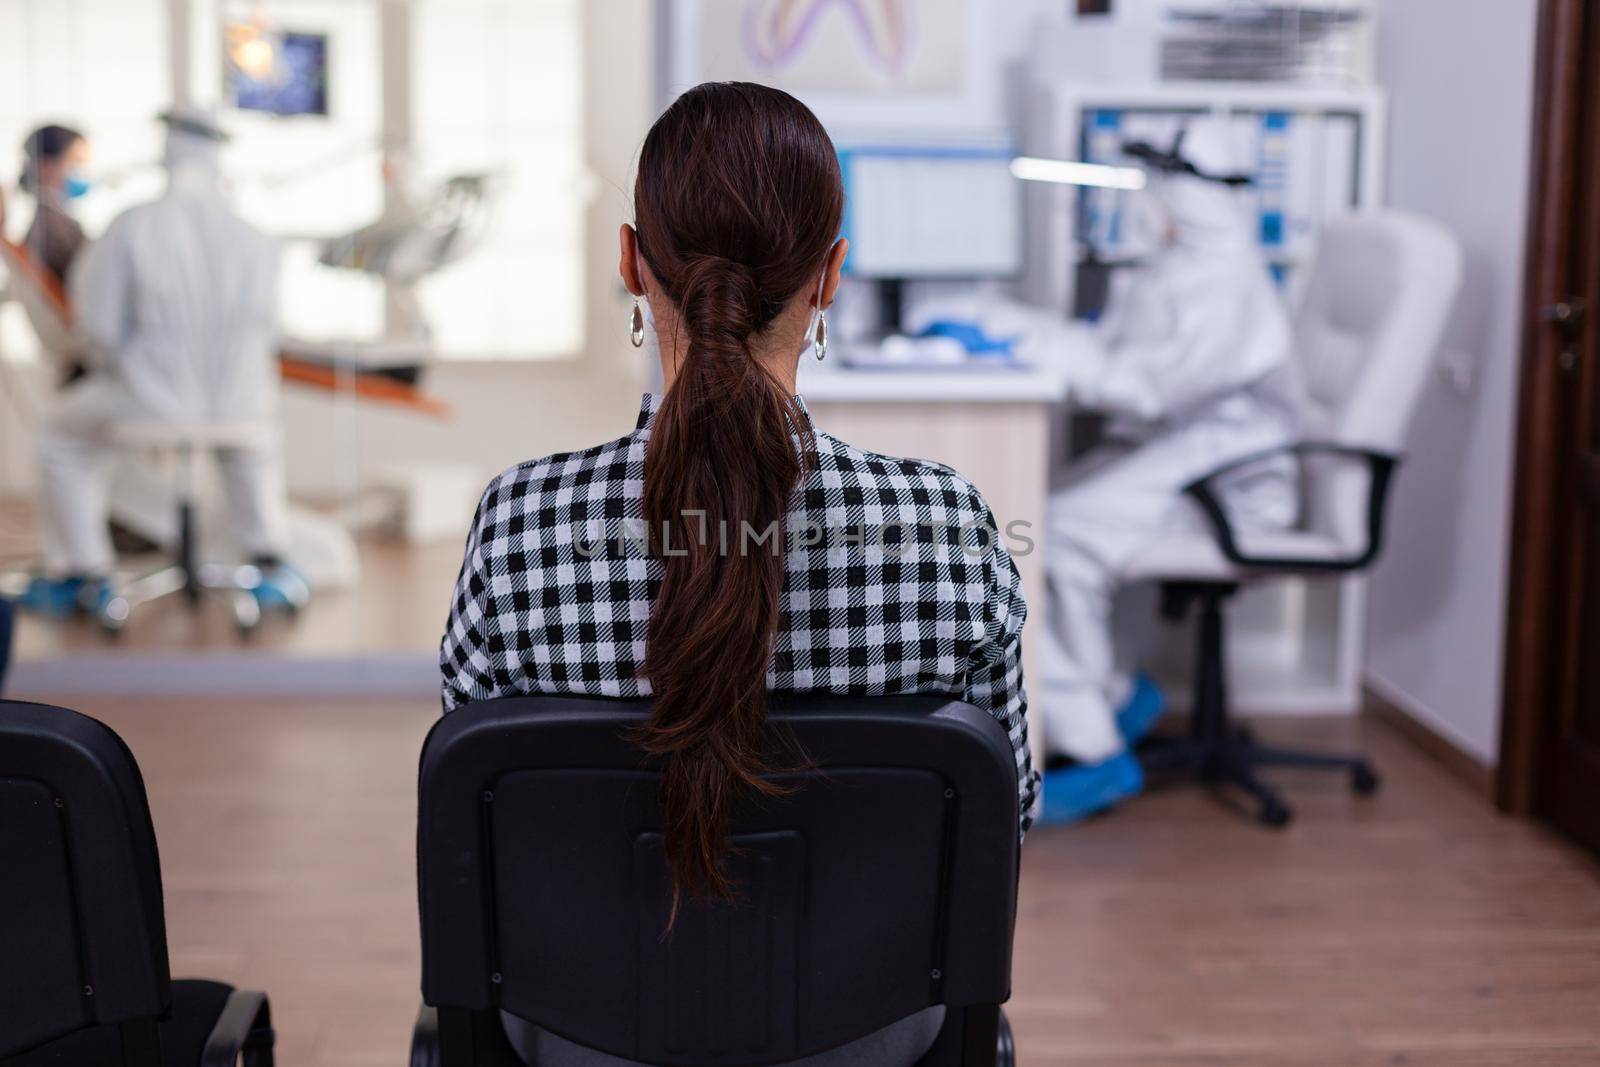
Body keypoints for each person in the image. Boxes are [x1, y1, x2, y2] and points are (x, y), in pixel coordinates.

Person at [440, 82, 1039, 1067]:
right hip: (872, 1035)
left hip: (587, 1036)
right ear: (831, 276)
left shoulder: (518, 524)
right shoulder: (949, 526)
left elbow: (482, 833)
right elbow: (999, 821)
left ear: (632, 264)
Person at [1030, 117, 1304, 822]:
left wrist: (1047, 355)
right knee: (1032, 507)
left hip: (1229, 488)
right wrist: (1021, 334)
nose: (1152, 196)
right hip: (1182, 458)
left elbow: (1147, 387)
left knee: (1055, 536)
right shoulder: (1177, 266)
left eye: (1165, 181)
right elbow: (1113, 351)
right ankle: (1119, 696)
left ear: (1193, 192)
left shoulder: (1223, 282)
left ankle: (1092, 750)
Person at [17, 107, 305, 617]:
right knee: (255, 435)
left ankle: (86, 574)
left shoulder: (131, 227)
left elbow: (99, 329)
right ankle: (270, 563)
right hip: (239, 406)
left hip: (145, 403)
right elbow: (275, 331)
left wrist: (124, 364)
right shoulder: (255, 238)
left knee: (61, 438)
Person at [18, 124, 91, 290]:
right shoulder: (49, 229)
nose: (84, 172)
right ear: (46, 166)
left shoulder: (54, 221)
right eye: (77, 164)